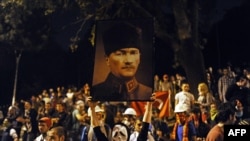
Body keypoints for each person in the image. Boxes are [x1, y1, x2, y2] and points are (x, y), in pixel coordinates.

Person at [91, 21, 152, 101]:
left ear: (139, 57)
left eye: (133, 53)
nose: (128, 60)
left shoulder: (148, 94)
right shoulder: (95, 94)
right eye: (120, 54)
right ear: (107, 59)